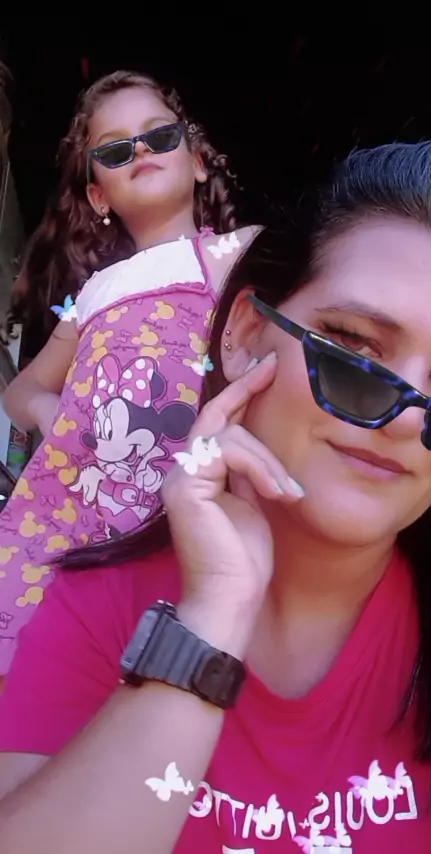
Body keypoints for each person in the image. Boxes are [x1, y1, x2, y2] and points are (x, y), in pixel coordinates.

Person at [2, 139, 431, 853]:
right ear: (247, 334)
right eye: (354, 349)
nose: (408, 418)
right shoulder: (96, 607)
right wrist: (209, 621)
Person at [0, 69, 255, 674]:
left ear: (197, 162)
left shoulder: (237, 254)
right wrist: (50, 412)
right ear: (99, 197)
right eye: (115, 150)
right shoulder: (94, 291)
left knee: (140, 678)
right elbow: (22, 389)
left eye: (158, 136)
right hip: (59, 520)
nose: (140, 151)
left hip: (174, 522)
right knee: (27, 675)